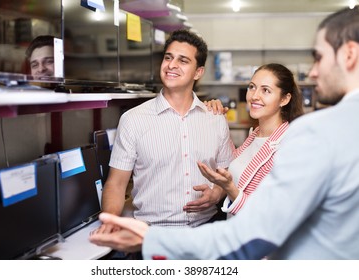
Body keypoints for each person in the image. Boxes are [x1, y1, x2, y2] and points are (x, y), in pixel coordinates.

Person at [89, 6, 359, 259]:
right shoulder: (248, 133)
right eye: (252, 87)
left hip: (214, 236)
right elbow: (117, 183)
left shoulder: (310, 133)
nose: (312, 72)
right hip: (167, 230)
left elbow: (255, 229)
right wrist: (113, 225)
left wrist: (219, 193)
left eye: (319, 57)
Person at [98, 29, 232, 236]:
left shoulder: (215, 119)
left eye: (183, 60)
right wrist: (110, 221)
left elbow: (226, 174)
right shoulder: (133, 119)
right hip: (151, 235)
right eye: (168, 58)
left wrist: (217, 194)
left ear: (198, 72)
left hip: (208, 233)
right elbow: (116, 184)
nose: (171, 65)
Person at [199, 63, 303, 216]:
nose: (254, 96)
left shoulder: (288, 146)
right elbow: (233, 165)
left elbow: (271, 214)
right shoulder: (255, 134)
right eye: (252, 87)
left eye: (265, 90)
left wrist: (230, 188)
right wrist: (217, 115)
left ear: (284, 99)